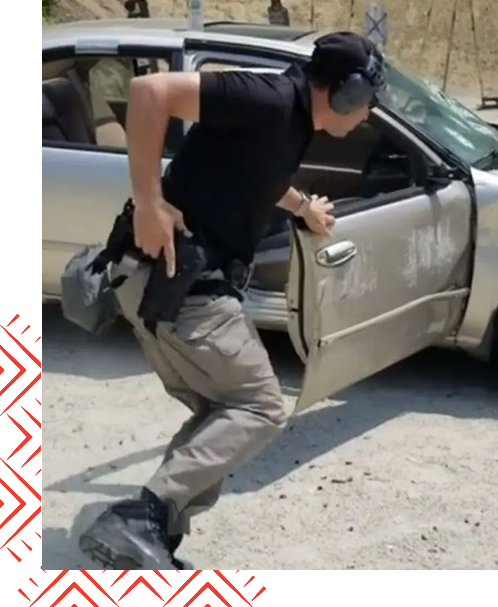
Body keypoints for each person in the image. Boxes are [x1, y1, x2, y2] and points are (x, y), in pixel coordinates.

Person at [77, 31, 387, 571]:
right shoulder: (268, 99)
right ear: (342, 91)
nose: (366, 115)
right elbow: (150, 91)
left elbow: (258, 174)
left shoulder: (289, 124)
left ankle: (152, 532)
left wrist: (301, 209)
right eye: (366, 102)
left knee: (223, 416)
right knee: (259, 406)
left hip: (167, 285)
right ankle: (138, 517)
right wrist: (149, 201)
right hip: (183, 286)